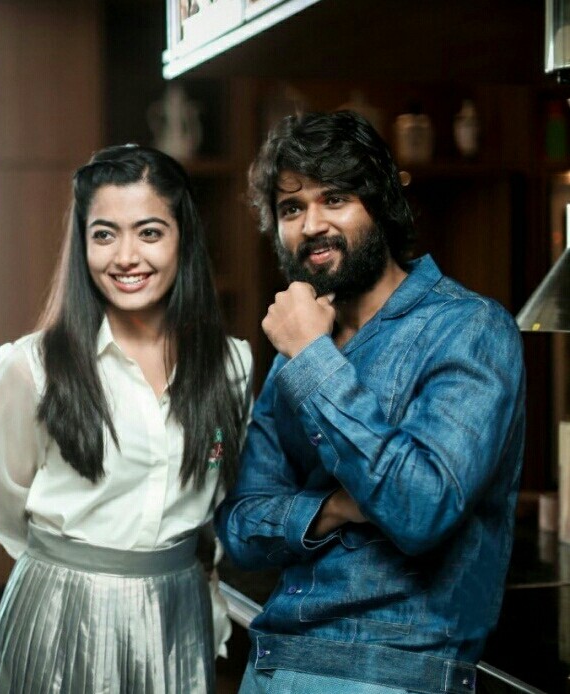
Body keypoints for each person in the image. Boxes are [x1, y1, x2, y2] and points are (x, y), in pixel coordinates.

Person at [215, 110, 526, 694]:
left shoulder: (471, 328)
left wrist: (311, 357)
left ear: (379, 204)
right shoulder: (296, 349)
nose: (311, 224)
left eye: (335, 198)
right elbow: (238, 526)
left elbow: (419, 508)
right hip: (272, 663)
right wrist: (335, 508)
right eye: (291, 208)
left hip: (393, 673)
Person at [0, 143, 252, 693]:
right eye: (104, 234)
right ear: (83, 244)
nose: (126, 256)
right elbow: (1, 502)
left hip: (177, 611)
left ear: (182, 238)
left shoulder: (232, 365)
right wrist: (71, 569)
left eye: (149, 232)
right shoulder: (31, 369)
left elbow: (221, 501)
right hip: (60, 612)